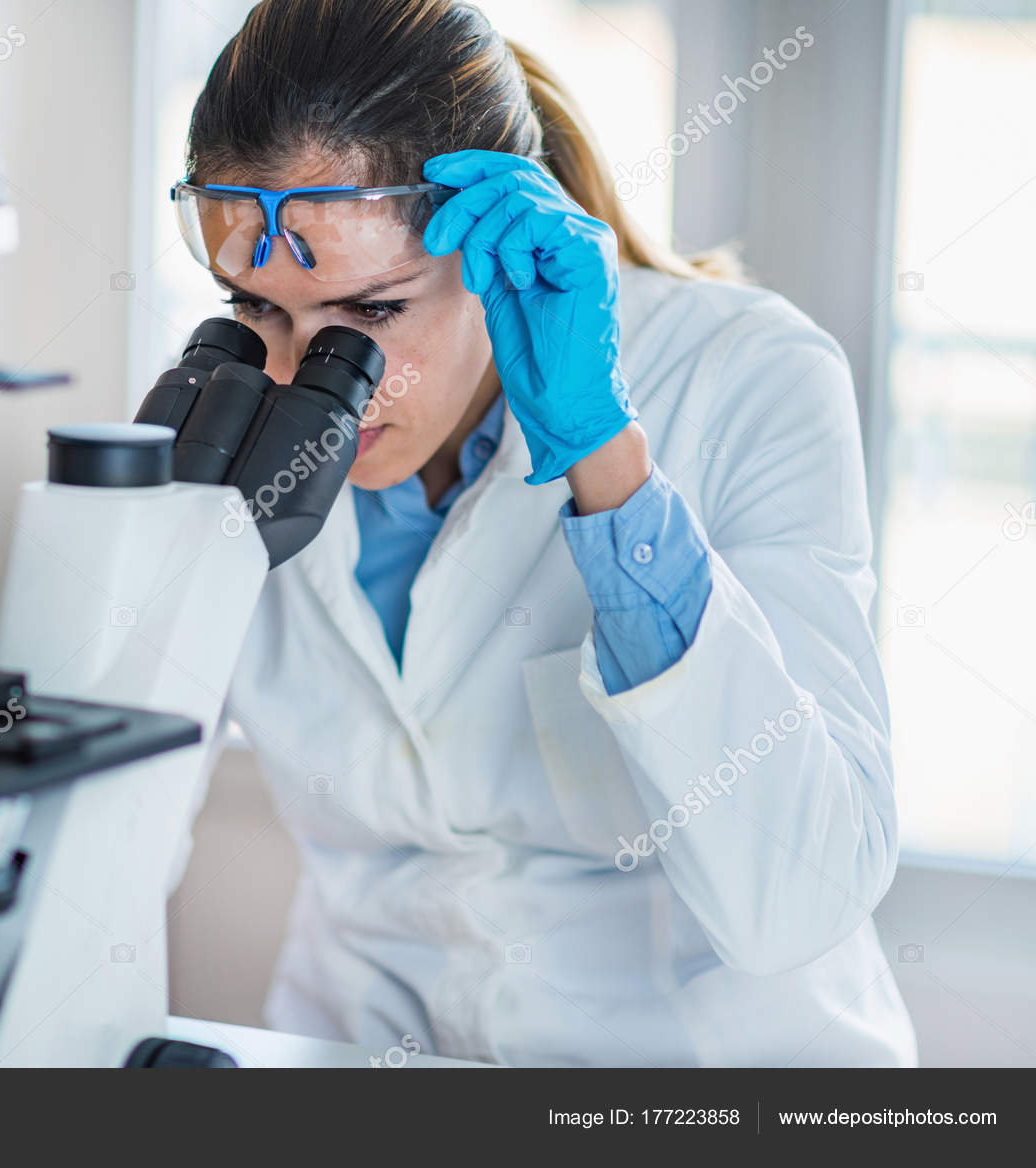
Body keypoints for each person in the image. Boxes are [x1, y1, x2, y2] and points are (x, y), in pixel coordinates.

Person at [172, 0, 915, 1066]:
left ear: (491, 248)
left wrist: (604, 462)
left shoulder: (746, 374)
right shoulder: (230, 407)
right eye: (257, 307)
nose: (305, 383)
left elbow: (794, 900)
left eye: (370, 314)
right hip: (368, 1050)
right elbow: (81, 796)